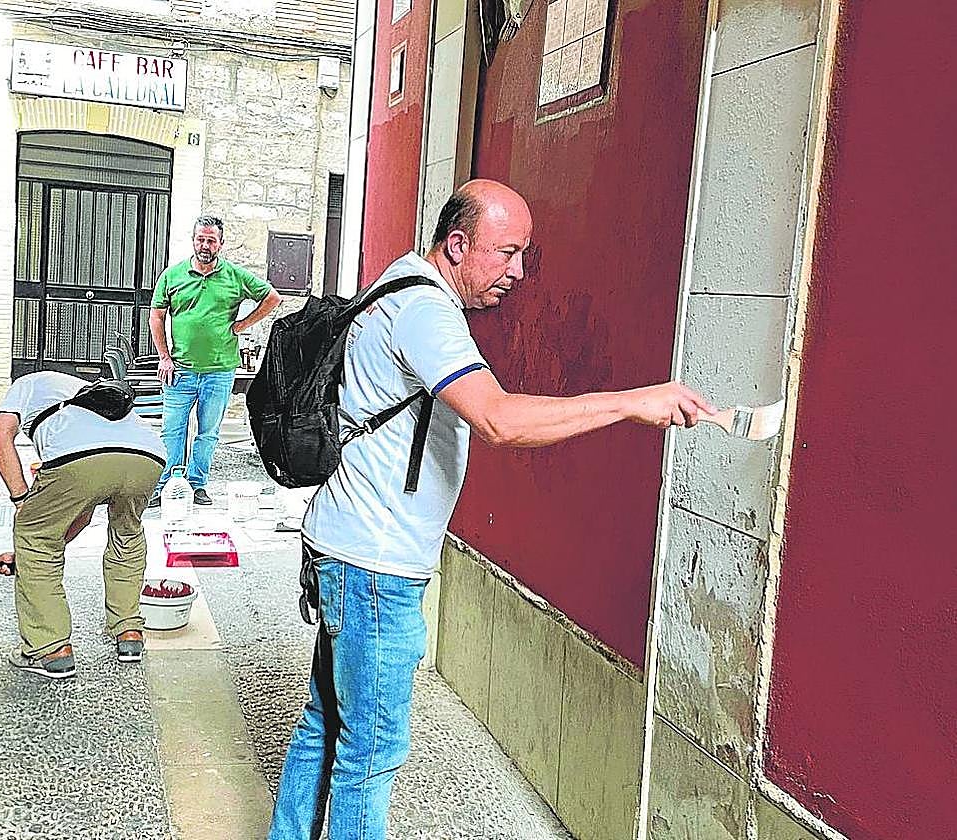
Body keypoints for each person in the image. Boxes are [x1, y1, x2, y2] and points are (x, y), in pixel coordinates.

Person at [267, 180, 715, 840]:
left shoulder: (398, 281)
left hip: (347, 546)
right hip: (373, 569)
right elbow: (499, 420)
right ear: (457, 244)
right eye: (506, 253)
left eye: (525, 254)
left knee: (327, 725)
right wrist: (631, 401)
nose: (518, 272)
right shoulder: (425, 311)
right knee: (370, 752)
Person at [0, 371, 168, 680]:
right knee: (127, 534)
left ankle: (50, 650)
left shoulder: (26, 383)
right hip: (148, 456)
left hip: (77, 456)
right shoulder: (82, 391)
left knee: (34, 534)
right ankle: (129, 634)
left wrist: (23, 503)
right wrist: (25, 558)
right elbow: (79, 516)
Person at [149, 215, 282, 505]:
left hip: (219, 371)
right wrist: (164, 357)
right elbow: (156, 316)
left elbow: (272, 297)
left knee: (208, 433)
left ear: (220, 243)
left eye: (211, 240)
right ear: (193, 239)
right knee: (172, 430)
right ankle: (167, 486)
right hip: (179, 370)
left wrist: (243, 324)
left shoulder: (235, 276)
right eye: (201, 238)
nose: (205, 245)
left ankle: (197, 485)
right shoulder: (172, 276)